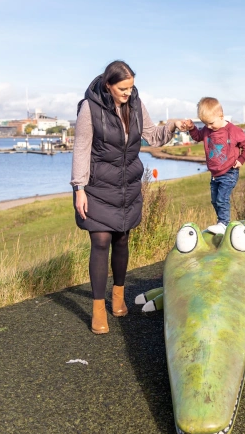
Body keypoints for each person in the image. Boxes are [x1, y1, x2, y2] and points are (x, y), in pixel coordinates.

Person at [71, 60, 185, 335]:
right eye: (122, 88)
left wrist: (173, 125)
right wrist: (79, 188)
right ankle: (98, 309)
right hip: (98, 185)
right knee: (100, 240)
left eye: (131, 87)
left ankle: (118, 297)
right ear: (108, 85)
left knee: (122, 238)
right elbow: (81, 148)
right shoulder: (90, 107)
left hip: (127, 184)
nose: (128, 92)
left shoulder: (135, 103)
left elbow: (152, 137)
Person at [184, 97, 245, 235]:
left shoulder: (232, 131)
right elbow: (197, 136)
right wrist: (191, 128)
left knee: (222, 199)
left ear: (221, 115)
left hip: (229, 172)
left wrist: (241, 159)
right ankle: (221, 222)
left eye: (210, 123)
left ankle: (224, 224)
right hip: (215, 174)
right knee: (215, 201)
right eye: (205, 124)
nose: (208, 127)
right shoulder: (208, 130)